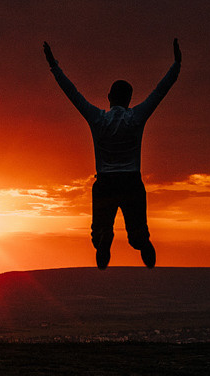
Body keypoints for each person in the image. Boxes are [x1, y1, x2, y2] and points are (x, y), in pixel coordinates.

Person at [43, 39, 181, 268]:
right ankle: (143, 243)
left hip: (105, 182)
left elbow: (73, 93)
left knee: (99, 234)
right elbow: (159, 92)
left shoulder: (98, 119)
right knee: (137, 235)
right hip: (131, 182)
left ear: (109, 97)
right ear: (129, 100)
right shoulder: (136, 118)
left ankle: (104, 240)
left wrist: (53, 65)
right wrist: (176, 66)